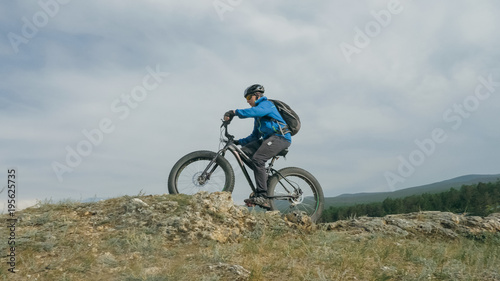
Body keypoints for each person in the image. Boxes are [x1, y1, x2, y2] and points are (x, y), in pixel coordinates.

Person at [223, 84, 291, 209]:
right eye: (246, 98)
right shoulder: (259, 118)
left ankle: (262, 195)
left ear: (257, 95)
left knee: (258, 159)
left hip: (281, 138)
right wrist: (238, 142)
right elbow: (254, 136)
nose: (248, 100)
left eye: (249, 97)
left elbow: (254, 111)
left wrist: (234, 112)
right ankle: (264, 179)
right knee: (242, 153)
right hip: (268, 139)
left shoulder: (266, 105)